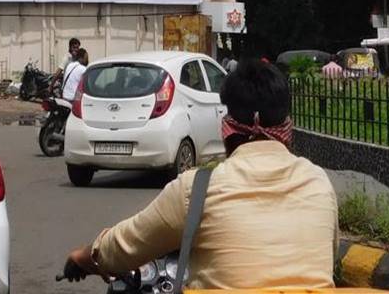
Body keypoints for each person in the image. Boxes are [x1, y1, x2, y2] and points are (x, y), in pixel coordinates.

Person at [62, 59, 338, 290]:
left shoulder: (198, 189)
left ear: (227, 128)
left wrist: (84, 256)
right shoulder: (319, 183)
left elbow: (125, 245)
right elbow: (330, 251)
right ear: (287, 127)